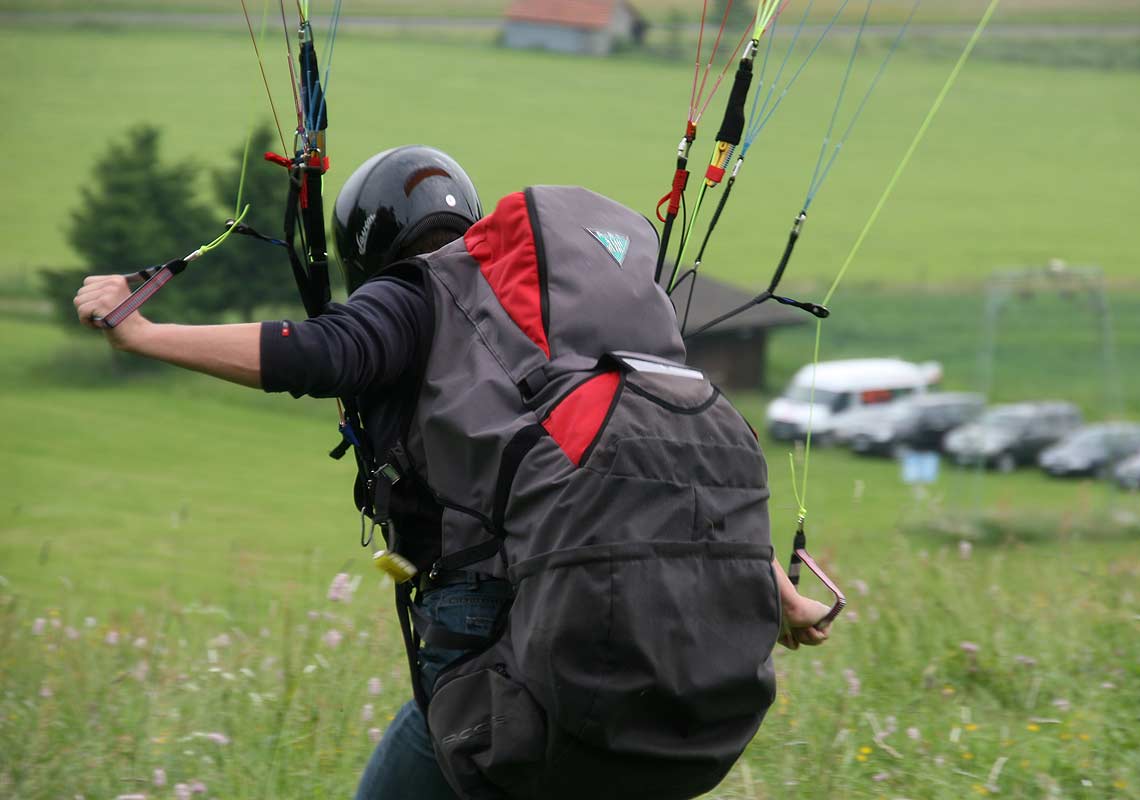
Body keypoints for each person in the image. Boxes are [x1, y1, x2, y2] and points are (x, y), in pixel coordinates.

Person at [74, 145, 834, 799]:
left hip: (488, 610)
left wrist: (144, 333)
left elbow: (318, 354)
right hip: (599, 599)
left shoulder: (414, 294)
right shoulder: (541, 332)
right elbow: (651, 465)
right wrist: (776, 588)